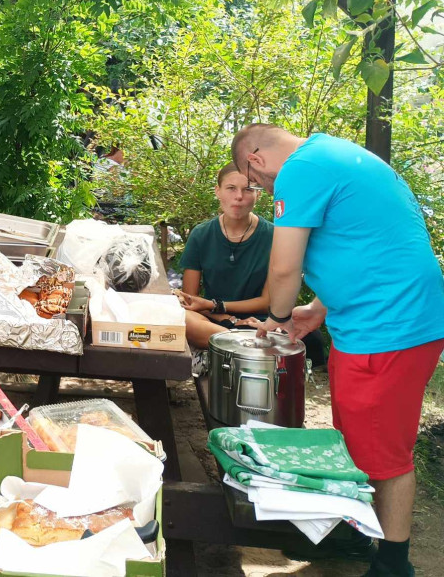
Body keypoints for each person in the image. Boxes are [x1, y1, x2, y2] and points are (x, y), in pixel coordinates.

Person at [232, 124, 444, 577]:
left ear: (255, 159)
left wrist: (279, 317)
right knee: (360, 440)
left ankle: (393, 565)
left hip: (389, 326)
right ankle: (359, 535)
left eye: (257, 184)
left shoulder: (300, 169)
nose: (264, 190)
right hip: (380, 320)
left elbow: (284, 267)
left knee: (384, 453)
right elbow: (369, 242)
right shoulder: (333, 155)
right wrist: (318, 308)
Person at [176, 163, 274, 351]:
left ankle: (233, 345)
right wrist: (229, 319)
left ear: (258, 194)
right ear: (218, 191)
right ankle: (241, 345)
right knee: (184, 318)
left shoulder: (274, 236)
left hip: (259, 324)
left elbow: (267, 303)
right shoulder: (201, 234)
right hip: (215, 322)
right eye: (231, 188)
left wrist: (218, 306)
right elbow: (191, 300)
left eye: (247, 189)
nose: (238, 196)